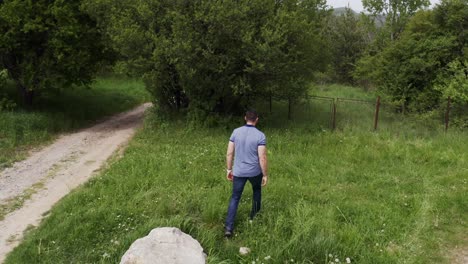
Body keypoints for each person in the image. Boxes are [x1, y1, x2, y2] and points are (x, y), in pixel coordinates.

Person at [224, 109, 268, 238]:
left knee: (235, 197)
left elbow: (229, 153)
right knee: (256, 192)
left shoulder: (235, 132)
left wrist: (228, 169)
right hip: (255, 172)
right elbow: (262, 157)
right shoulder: (260, 135)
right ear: (257, 120)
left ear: (245, 118)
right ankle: (253, 218)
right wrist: (264, 174)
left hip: (238, 171)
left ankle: (228, 228)